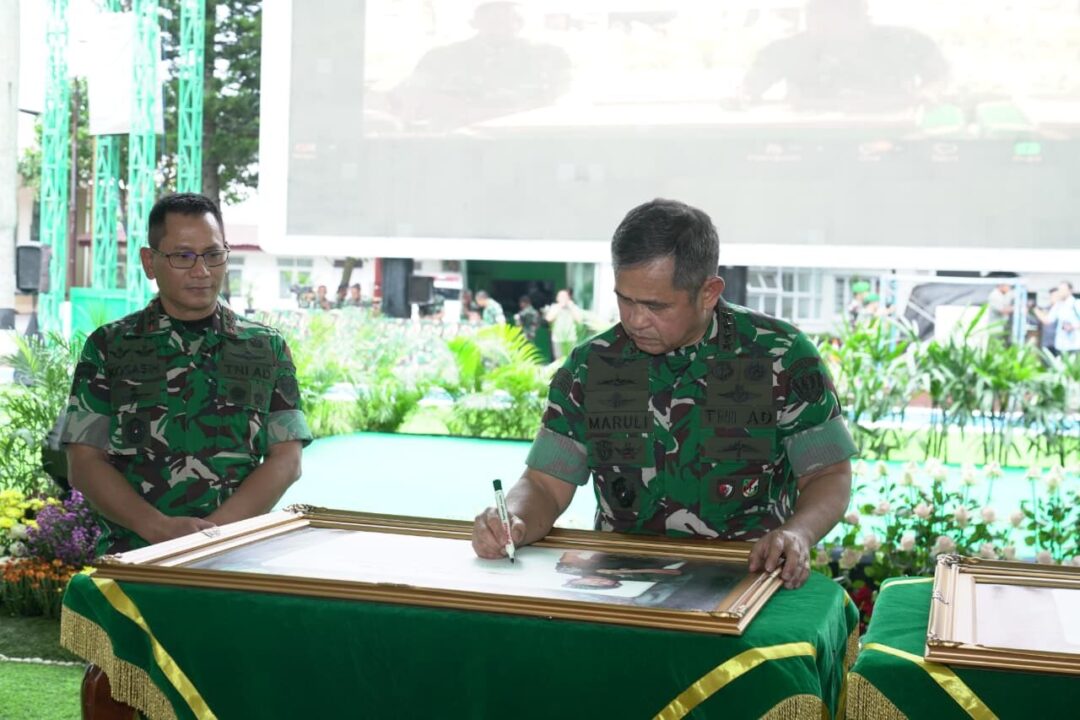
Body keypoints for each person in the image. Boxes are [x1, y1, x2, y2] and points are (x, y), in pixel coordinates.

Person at [472, 199, 856, 590]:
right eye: (625, 299)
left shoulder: (779, 354)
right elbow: (544, 484)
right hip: (621, 587)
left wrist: (798, 534)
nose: (636, 320)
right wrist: (512, 519)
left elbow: (829, 475)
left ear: (708, 292)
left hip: (746, 585)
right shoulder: (593, 365)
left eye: (656, 306)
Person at [62, 193, 313, 556]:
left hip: (236, 556)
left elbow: (286, 460)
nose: (202, 271)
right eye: (183, 256)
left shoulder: (265, 348)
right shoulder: (110, 347)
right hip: (135, 557)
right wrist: (157, 528)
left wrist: (212, 536)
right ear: (150, 262)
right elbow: (84, 463)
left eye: (213, 255)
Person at [388, 1, 572, 131]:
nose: (506, 25)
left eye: (514, 20)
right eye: (495, 19)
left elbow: (561, 98)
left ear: (522, 24)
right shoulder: (441, 57)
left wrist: (510, 111)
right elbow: (413, 95)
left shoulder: (551, 56)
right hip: (458, 136)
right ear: (474, 23)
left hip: (525, 134)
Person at [741, 0, 947, 113]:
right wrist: (743, 96)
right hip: (807, 136)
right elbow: (749, 87)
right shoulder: (785, 50)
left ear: (862, 16)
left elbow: (940, 75)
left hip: (892, 131)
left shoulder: (905, 41)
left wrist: (929, 92)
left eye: (837, 16)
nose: (825, 25)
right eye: (817, 14)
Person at [1034, 281, 1080, 356]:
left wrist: (1072, 327)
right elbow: (1047, 320)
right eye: (1060, 290)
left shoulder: (1076, 303)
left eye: (1063, 290)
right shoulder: (1058, 305)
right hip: (1060, 345)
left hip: (1075, 345)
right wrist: (1036, 310)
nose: (1061, 292)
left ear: (1070, 290)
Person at [545, 288, 584, 360]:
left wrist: (571, 307)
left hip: (571, 338)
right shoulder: (554, 307)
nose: (563, 299)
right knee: (559, 360)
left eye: (565, 297)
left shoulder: (573, 307)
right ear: (557, 298)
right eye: (561, 297)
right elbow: (548, 319)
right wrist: (559, 307)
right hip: (557, 339)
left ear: (568, 298)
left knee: (571, 359)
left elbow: (579, 320)